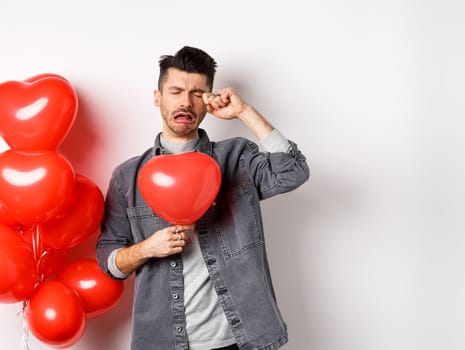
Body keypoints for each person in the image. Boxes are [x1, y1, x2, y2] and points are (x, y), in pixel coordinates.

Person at [96, 46, 309, 350]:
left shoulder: (236, 158)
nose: (185, 101)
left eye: (197, 93)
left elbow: (294, 171)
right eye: (176, 91)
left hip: (240, 339)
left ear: (208, 101)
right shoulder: (127, 177)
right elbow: (108, 259)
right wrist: (146, 249)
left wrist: (245, 112)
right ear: (157, 97)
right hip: (163, 342)